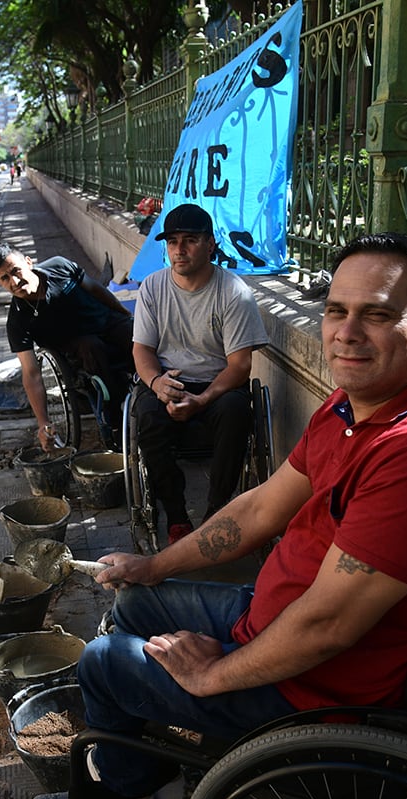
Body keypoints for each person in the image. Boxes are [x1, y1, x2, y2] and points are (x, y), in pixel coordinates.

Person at [28, 233, 407, 799]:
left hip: (322, 685)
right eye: (337, 311)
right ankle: (155, 786)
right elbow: (259, 508)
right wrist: (153, 564)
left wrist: (213, 675)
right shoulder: (355, 405)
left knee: (103, 662)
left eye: (379, 314)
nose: (347, 333)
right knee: (137, 603)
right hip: (272, 614)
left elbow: (326, 628)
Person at [131, 204, 268, 545]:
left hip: (218, 383)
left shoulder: (233, 292)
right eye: (172, 241)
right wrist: (156, 383)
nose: (179, 249)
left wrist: (204, 398)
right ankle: (176, 517)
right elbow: (142, 350)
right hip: (168, 379)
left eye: (190, 240)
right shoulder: (152, 287)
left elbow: (240, 365)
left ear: (210, 244)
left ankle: (217, 513)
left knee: (237, 412)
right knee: (147, 416)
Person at [0, 242, 134, 451]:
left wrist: (124, 313)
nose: (14, 281)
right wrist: (43, 422)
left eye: (16, 271)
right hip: (78, 348)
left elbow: (95, 289)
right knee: (90, 347)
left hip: (107, 323)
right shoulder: (18, 321)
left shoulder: (59, 267)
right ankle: (116, 418)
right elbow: (31, 373)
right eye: (5, 278)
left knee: (137, 334)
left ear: (28, 263)